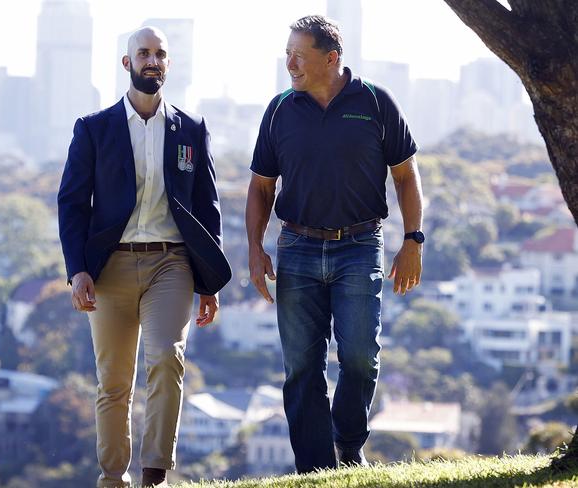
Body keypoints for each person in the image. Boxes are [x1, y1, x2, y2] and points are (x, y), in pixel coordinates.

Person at [246, 15, 424, 473]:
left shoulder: (375, 102)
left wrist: (413, 240)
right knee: (302, 367)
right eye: (286, 54)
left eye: (298, 56)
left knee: (361, 355)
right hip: (297, 248)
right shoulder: (280, 109)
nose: (289, 64)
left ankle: (348, 445)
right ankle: (314, 469)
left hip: (361, 245)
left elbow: (405, 176)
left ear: (331, 58)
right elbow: (261, 186)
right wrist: (254, 248)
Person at [58, 27, 231, 488]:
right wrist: (77, 270)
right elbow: (73, 203)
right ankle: (113, 478)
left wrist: (208, 282)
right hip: (109, 265)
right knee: (113, 382)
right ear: (127, 63)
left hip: (171, 263)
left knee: (165, 359)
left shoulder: (191, 128)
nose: (152, 61)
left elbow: (207, 205)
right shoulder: (93, 129)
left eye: (160, 54)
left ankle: (155, 474)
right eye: (143, 54)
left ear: (168, 64)